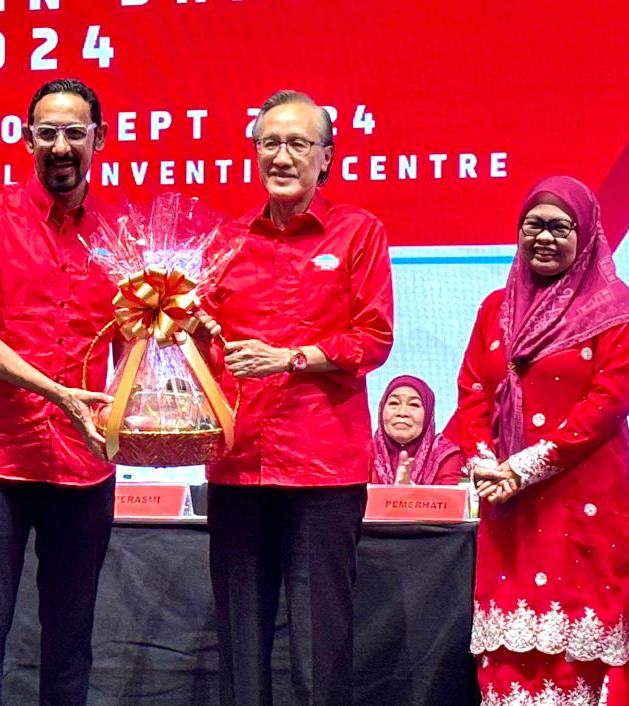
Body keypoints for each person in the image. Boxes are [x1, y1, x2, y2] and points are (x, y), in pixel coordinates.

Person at [200, 90, 394, 705]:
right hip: (237, 465)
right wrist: (181, 331)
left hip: (323, 469)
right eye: (269, 143)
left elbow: (374, 338)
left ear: (326, 157)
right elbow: (206, 346)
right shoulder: (225, 241)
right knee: (240, 645)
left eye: (298, 144)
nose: (281, 157)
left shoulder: (359, 232)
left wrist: (291, 358)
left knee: (320, 648)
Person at [0, 78, 118, 705]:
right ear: (27, 138)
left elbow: (135, 346)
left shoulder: (121, 235)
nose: (60, 146)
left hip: (84, 461)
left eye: (75, 133)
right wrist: (58, 393)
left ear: (99, 138)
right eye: (48, 133)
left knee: (71, 641)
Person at [453, 176, 629, 705]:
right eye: (532, 224)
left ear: (585, 235)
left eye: (560, 227)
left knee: (578, 652)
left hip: (584, 502)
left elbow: (610, 402)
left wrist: (525, 467)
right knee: (510, 652)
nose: (543, 237)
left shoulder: (617, 312)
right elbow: (472, 390)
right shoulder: (495, 309)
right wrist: (484, 462)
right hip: (508, 506)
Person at [372, 374, 464, 485]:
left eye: (414, 405)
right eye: (394, 403)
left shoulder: (445, 456)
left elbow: (450, 495)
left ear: (428, 414)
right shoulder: (364, 454)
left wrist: (411, 491)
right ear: (381, 409)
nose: (402, 412)